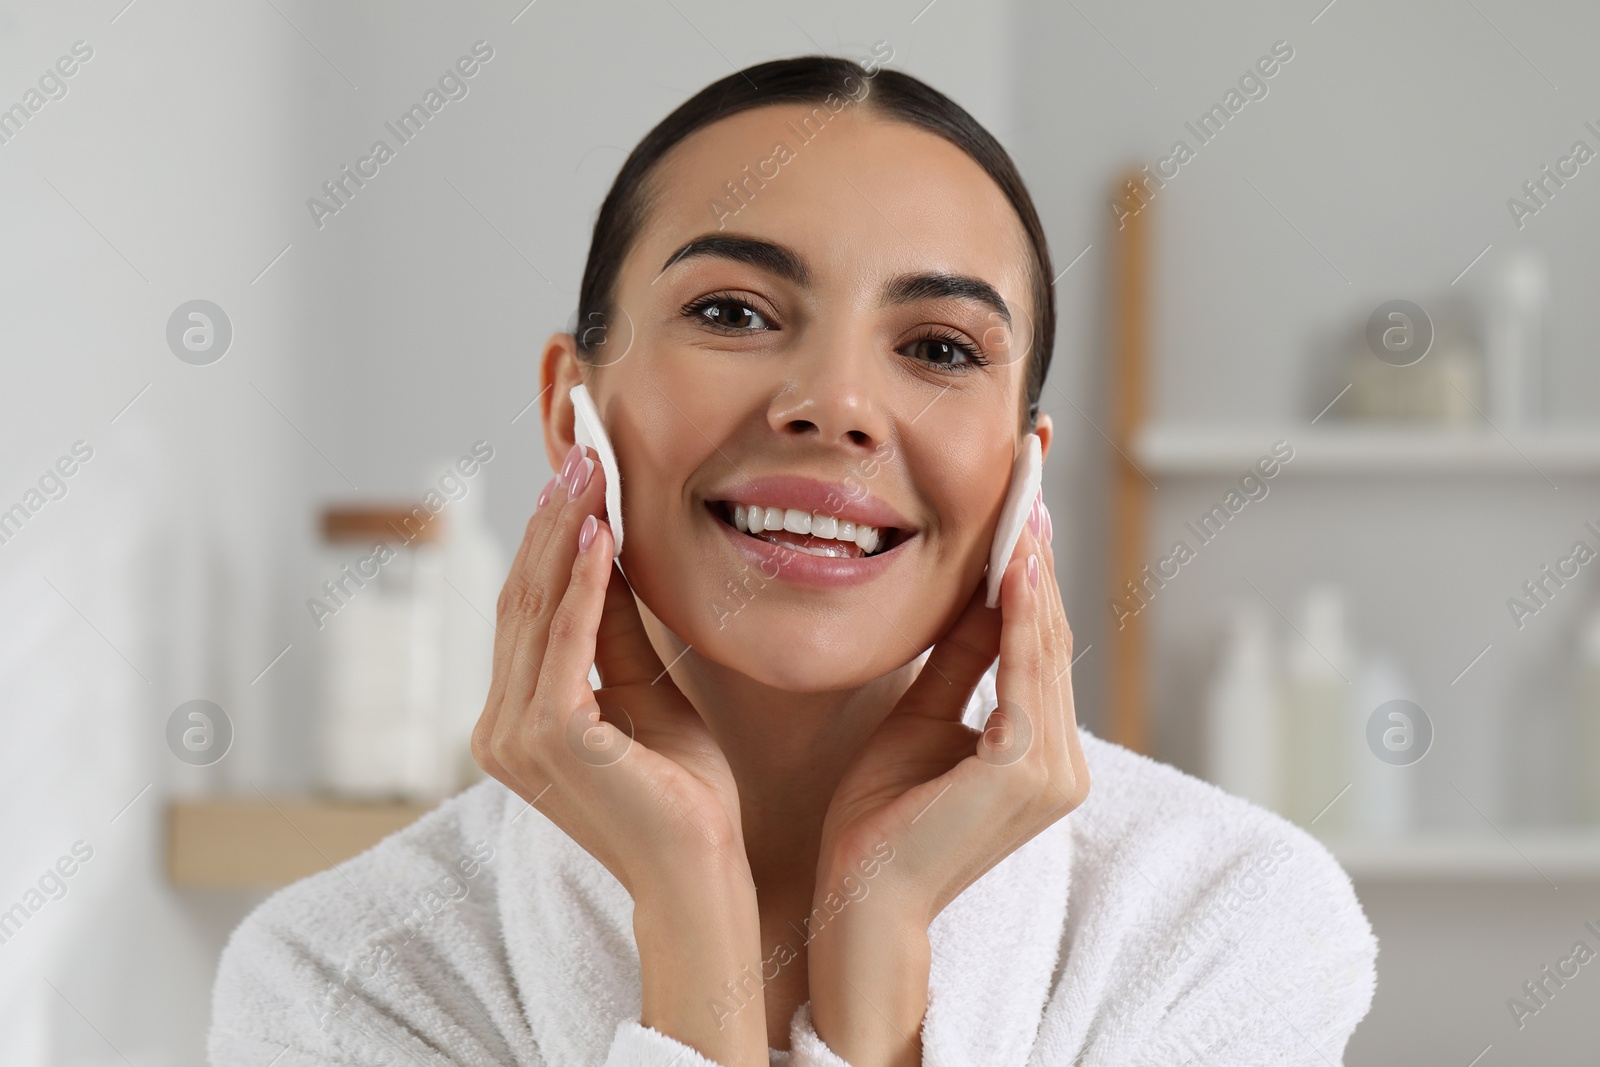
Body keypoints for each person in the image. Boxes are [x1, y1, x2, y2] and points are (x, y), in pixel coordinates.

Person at [209, 54, 1376, 1066]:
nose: (834, 404)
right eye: (731, 312)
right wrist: (686, 905)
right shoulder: (343, 978)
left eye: (937, 344)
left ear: (1022, 470)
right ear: (574, 413)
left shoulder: (1223, 920)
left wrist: (888, 947)